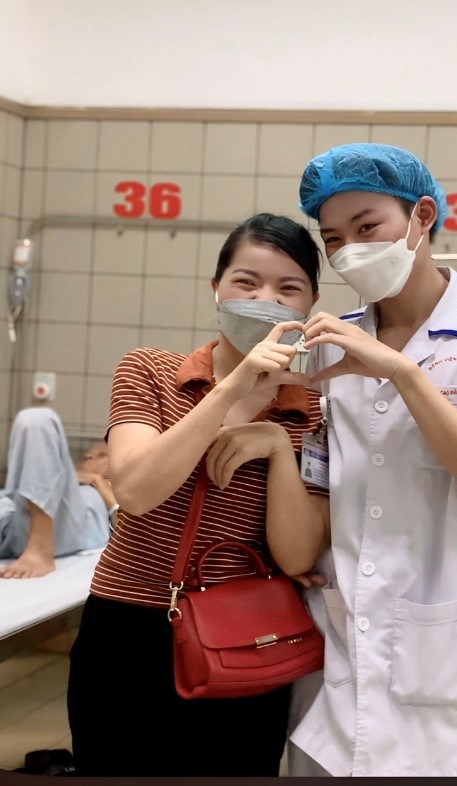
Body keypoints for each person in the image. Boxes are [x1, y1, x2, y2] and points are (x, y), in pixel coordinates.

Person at [287, 143, 457, 777]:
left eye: (366, 227)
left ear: (422, 216)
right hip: (336, 639)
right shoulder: (328, 341)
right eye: (333, 238)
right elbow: (319, 475)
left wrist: (402, 372)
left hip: (444, 649)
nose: (349, 251)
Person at [66, 213, 330, 778]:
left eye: (288, 289)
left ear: (310, 304)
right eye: (246, 282)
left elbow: (296, 556)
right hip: (129, 629)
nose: (265, 300)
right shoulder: (148, 371)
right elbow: (134, 491)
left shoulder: (315, 411)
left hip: (247, 639)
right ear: (216, 288)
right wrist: (231, 388)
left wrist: (276, 447)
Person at [0, 407, 115, 579]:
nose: (90, 456)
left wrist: (97, 481)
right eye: (92, 455)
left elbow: (129, 532)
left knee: (37, 419)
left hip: (54, 529)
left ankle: (40, 547)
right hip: (10, 520)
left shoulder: (112, 491)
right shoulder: (52, 477)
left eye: (104, 455)